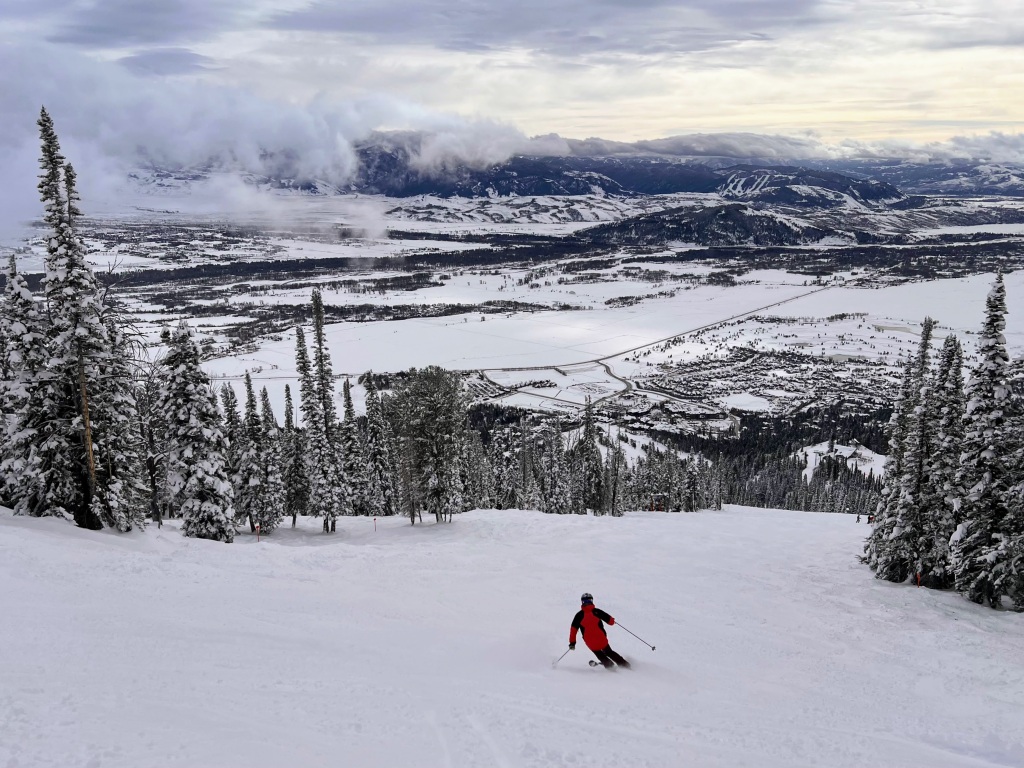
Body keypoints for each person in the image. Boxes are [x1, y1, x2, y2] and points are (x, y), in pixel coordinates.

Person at [569, 593, 631, 669]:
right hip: (601, 639)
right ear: (592, 601)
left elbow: (573, 630)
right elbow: (611, 622)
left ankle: (609, 666)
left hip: (590, 642)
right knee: (609, 652)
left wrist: (572, 643)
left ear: (582, 602)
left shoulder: (578, 615)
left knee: (599, 654)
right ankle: (624, 664)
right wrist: (612, 620)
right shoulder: (597, 611)